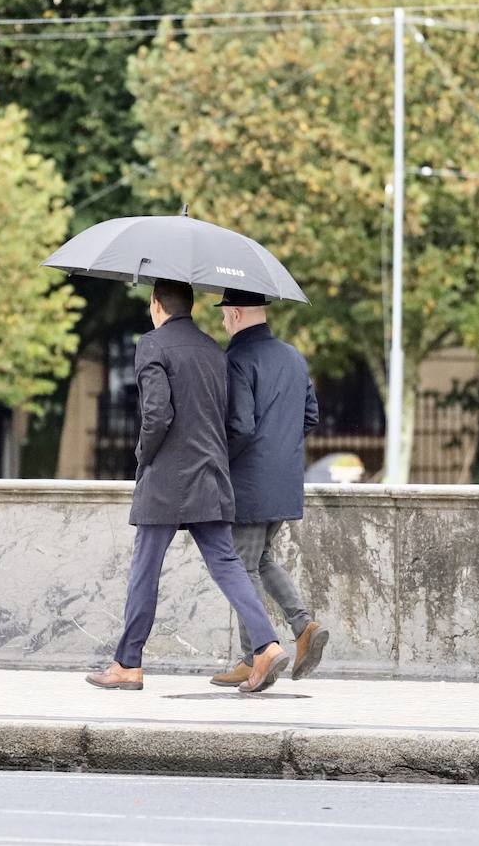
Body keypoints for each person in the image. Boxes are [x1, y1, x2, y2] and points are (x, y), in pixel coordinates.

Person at [87, 280, 290, 694]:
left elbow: (157, 415)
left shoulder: (152, 345)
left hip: (165, 479)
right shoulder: (214, 349)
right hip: (210, 475)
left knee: (145, 569)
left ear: (156, 304)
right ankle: (267, 645)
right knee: (227, 564)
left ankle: (128, 664)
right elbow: (232, 420)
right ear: (191, 306)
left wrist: (143, 456)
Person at [211, 289, 329, 686]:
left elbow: (240, 427)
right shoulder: (293, 357)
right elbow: (310, 416)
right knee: (260, 558)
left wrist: (219, 462)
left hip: (248, 481)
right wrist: (280, 450)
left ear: (236, 313)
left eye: (224, 314)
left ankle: (255, 656)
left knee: (241, 566)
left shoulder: (237, 359)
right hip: (284, 481)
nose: (223, 321)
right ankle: (303, 626)